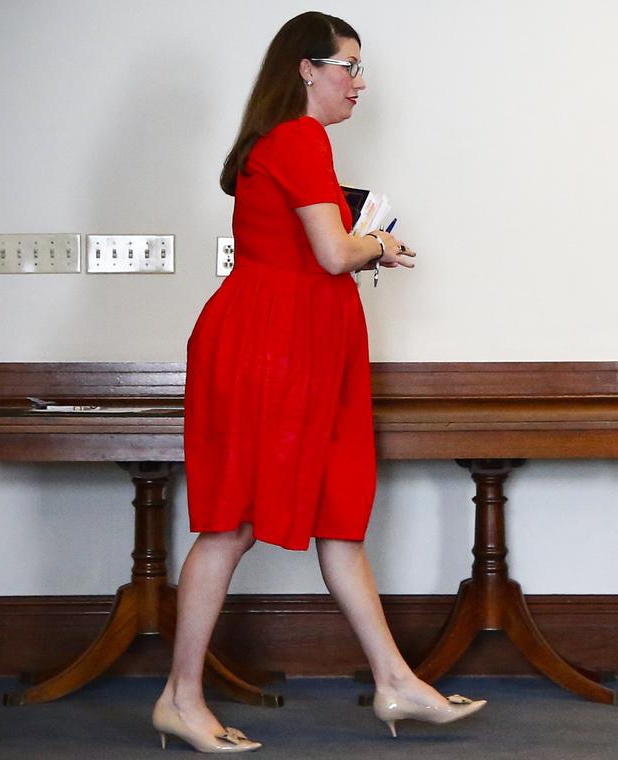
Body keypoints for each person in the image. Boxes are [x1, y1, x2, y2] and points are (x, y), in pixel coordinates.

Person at [152, 12, 485, 753]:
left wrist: (362, 245)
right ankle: (179, 696)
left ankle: (395, 680)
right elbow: (334, 253)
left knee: (339, 515)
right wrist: (379, 242)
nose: (359, 83)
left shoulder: (285, 143)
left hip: (301, 348)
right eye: (348, 66)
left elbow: (316, 253)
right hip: (271, 349)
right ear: (306, 69)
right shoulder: (298, 138)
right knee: (231, 521)